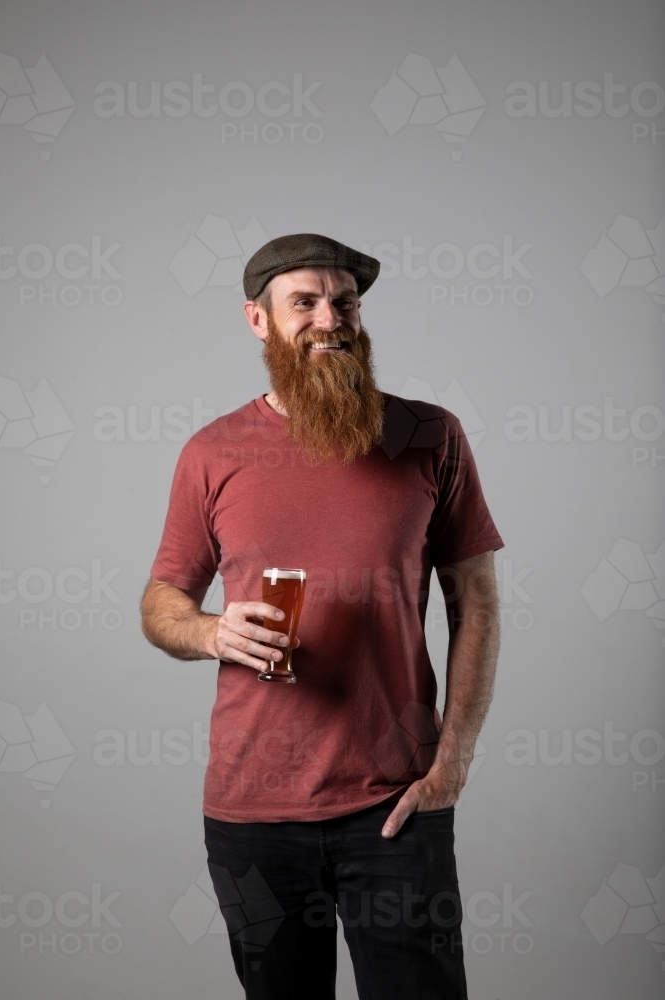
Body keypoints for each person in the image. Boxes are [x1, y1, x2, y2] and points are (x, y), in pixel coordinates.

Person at [141, 233, 503, 1000]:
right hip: (250, 813)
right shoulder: (213, 452)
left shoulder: (427, 435)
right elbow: (162, 600)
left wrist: (455, 760)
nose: (328, 318)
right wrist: (209, 632)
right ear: (258, 321)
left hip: (396, 805)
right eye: (303, 301)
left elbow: (475, 604)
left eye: (344, 302)